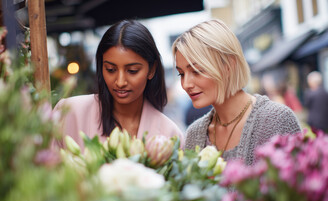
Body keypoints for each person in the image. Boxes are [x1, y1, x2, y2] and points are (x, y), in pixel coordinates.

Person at [172, 19, 301, 165]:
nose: (186, 84)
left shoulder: (277, 120)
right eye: (181, 74)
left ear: (228, 65)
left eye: (196, 71)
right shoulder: (193, 135)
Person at [52, 19, 184, 151]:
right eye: (110, 69)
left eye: (132, 71)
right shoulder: (69, 113)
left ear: (152, 70)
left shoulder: (170, 135)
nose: (120, 82)